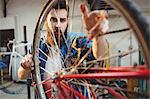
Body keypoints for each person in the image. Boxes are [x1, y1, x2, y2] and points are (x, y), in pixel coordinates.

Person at [18, 0, 109, 98]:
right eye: (53, 19)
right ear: (46, 21)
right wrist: (25, 67)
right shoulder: (38, 46)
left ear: (67, 21)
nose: (58, 25)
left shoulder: (75, 41)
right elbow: (21, 75)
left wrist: (97, 35)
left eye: (62, 20)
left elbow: (101, 55)